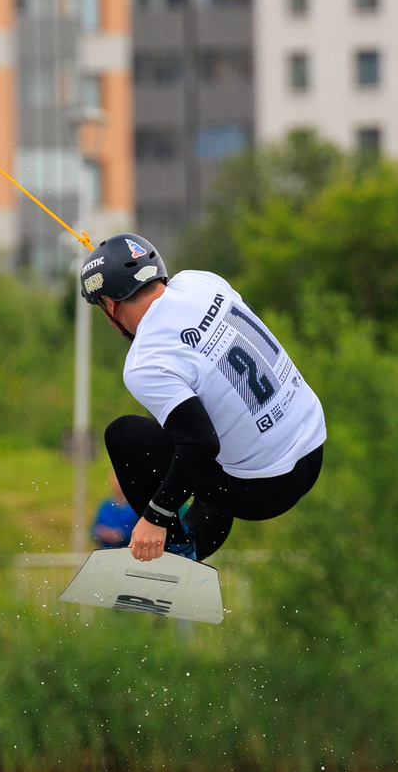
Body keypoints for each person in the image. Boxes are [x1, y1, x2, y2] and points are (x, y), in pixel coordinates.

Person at [79, 232, 327, 562]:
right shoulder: (201, 282)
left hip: (269, 490)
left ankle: (175, 546)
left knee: (123, 436)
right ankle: (192, 545)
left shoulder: (145, 360)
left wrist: (156, 516)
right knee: (187, 429)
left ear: (110, 304)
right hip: (313, 448)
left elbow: (201, 445)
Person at [91, 474, 138, 548]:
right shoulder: (105, 505)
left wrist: (122, 534)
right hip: (106, 551)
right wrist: (101, 532)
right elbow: (93, 529)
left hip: (129, 551)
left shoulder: (135, 506)